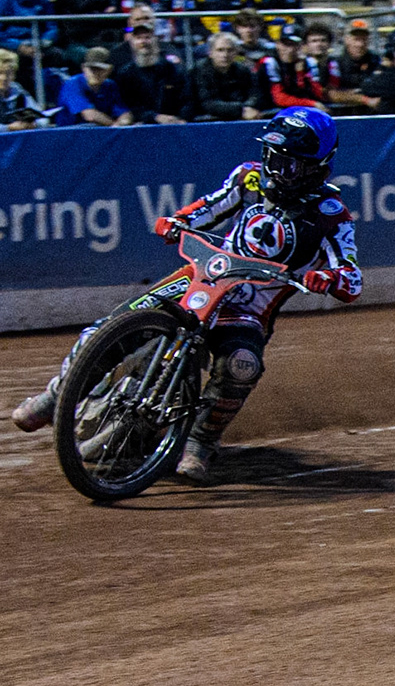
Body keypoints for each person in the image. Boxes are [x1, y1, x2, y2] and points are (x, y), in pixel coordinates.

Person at [12, 108, 363, 484]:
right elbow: (209, 208)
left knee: (241, 364)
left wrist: (325, 279)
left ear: (316, 168)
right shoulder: (249, 178)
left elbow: (352, 277)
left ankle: (201, 440)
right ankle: (57, 395)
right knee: (112, 327)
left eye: (289, 165)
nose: (276, 170)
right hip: (201, 277)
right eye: (272, 158)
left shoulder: (331, 214)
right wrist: (177, 221)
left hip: (248, 308)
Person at [111, 20, 187, 123]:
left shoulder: (171, 69)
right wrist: (155, 117)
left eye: (147, 37)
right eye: (138, 38)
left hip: (174, 124)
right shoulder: (126, 74)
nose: (143, 42)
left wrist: (182, 118)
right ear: (132, 43)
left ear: (155, 40)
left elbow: (185, 98)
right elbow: (128, 107)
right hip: (141, 127)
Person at [188, 31, 259, 119]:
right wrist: (241, 109)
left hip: (241, 116)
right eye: (220, 50)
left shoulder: (242, 70)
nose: (225, 55)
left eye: (230, 50)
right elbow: (207, 103)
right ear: (210, 52)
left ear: (236, 52)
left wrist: (249, 107)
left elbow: (254, 94)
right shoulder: (199, 71)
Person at [55, 47, 132, 125]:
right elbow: (89, 115)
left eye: (100, 69)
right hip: (70, 133)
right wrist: (114, 126)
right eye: (92, 69)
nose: (95, 73)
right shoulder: (73, 84)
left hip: (101, 132)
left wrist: (124, 123)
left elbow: (124, 113)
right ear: (83, 68)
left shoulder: (110, 85)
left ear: (109, 70)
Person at [0, 46, 52, 128]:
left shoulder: (17, 90)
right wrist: (8, 128)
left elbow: (42, 118)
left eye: (9, 73)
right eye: (0, 73)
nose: (4, 78)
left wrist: (34, 124)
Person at [337, 20, 380, 92]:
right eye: (356, 39)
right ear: (346, 40)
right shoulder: (336, 63)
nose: (360, 44)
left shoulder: (375, 61)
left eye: (364, 39)